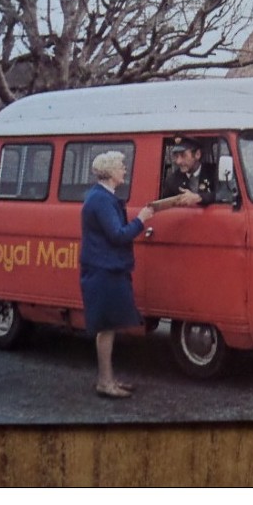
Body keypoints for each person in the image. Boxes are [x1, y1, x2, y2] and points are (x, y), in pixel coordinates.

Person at [80, 151, 154, 399]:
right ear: (110, 171)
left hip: (106, 269)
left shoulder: (101, 197)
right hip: (104, 270)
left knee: (108, 328)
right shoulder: (101, 200)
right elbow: (117, 235)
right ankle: (105, 381)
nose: (125, 170)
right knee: (106, 328)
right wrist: (141, 220)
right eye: (122, 166)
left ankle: (108, 379)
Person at [161, 136, 216, 206]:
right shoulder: (172, 180)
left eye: (183, 155)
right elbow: (163, 205)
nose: (178, 161)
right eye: (176, 156)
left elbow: (225, 194)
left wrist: (200, 197)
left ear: (197, 154)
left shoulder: (214, 172)